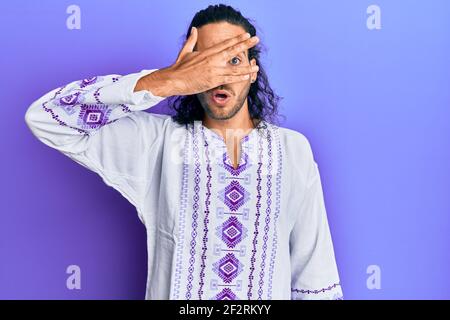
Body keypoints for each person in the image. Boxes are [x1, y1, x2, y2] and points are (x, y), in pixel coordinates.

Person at [25, 4, 343, 300]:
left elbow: (315, 275)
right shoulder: (156, 142)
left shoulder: (292, 149)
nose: (219, 75)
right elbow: (46, 117)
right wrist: (170, 80)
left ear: (252, 69)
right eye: (206, 62)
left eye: (232, 60)